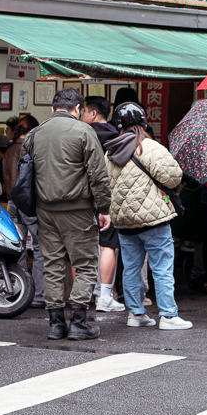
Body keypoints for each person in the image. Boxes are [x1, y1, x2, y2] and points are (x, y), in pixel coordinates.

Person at [25, 88, 112, 340]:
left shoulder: (34, 134)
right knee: (84, 264)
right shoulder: (84, 131)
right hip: (77, 209)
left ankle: (55, 324)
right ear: (77, 109)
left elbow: (25, 174)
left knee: (52, 264)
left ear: (53, 109)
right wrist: (104, 208)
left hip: (44, 210)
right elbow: (98, 175)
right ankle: (78, 322)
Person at [103, 102, 192, 330]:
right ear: (143, 122)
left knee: (131, 268)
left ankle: (136, 313)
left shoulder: (110, 152)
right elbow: (174, 178)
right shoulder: (150, 147)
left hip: (124, 221)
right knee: (161, 267)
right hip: (153, 219)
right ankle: (168, 315)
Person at [82, 95, 125, 313]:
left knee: (79, 246)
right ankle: (105, 296)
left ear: (93, 113)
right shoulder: (117, 137)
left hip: (81, 199)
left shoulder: (82, 135)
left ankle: (81, 296)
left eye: (83, 111)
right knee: (108, 245)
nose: (81, 115)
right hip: (108, 198)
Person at [4, 115, 44, 309]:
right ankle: (37, 296)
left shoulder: (9, 150)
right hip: (29, 203)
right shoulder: (31, 148)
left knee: (18, 249)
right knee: (39, 250)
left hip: (12, 203)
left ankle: (19, 292)